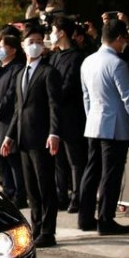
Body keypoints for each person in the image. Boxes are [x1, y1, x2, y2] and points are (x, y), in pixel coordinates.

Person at [77, 19, 129, 235]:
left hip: (93, 123)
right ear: (119, 39)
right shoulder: (117, 64)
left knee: (92, 170)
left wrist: (91, 119)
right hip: (114, 127)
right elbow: (128, 99)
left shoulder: (87, 61)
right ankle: (106, 220)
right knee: (111, 174)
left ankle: (85, 217)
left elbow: (86, 98)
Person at [0, 25, 61, 247]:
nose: (35, 44)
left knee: (45, 186)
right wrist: (9, 136)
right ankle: (36, 228)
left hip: (42, 136)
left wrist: (54, 132)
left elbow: (55, 105)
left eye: (38, 40)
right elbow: (18, 109)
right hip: (24, 138)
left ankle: (48, 231)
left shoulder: (49, 72)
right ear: (23, 46)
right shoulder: (20, 74)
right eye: (30, 41)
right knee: (32, 188)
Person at [49, 16, 87, 213]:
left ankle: (77, 196)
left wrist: (53, 97)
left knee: (75, 159)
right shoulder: (55, 57)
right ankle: (61, 195)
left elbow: (69, 85)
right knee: (58, 159)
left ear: (62, 32)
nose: (51, 35)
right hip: (56, 116)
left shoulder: (77, 57)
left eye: (53, 31)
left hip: (72, 115)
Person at [0, 32, 27, 208]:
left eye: (2, 46)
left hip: (9, 120)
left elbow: (11, 94)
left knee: (13, 159)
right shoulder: (0, 69)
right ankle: (8, 191)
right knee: (2, 159)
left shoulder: (17, 68)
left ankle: (20, 194)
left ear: (13, 49)